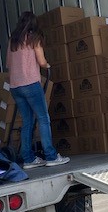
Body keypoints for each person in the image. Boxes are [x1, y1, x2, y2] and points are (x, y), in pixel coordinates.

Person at [6, 11, 70, 169]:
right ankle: (51, 156)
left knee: (27, 121)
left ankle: (28, 159)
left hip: (15, 86)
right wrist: (47, 65)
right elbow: (41, 61)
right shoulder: (35, 38)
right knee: (43, 118)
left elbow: (8, 64)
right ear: (34, 24)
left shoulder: (13, 40)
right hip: (30, 84)